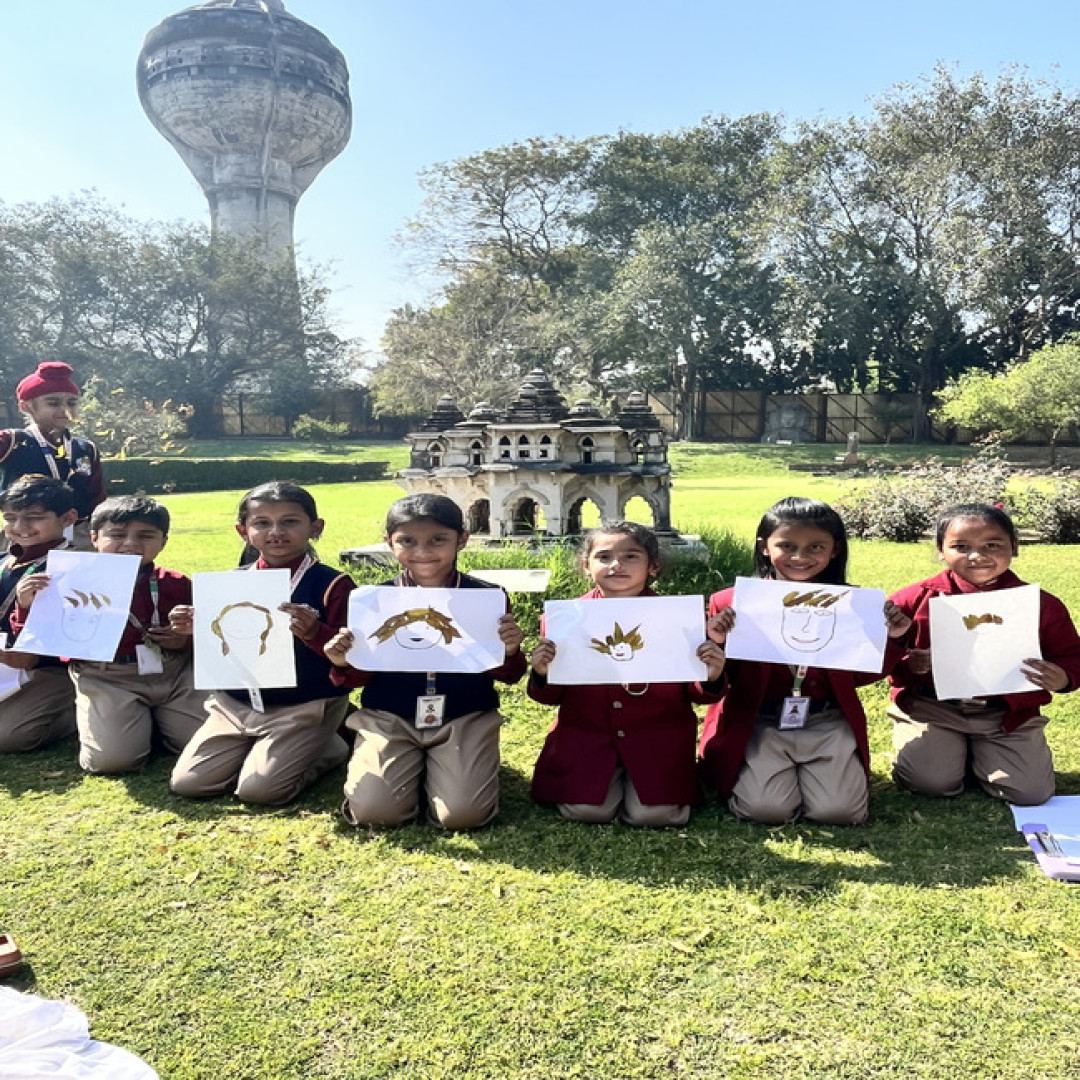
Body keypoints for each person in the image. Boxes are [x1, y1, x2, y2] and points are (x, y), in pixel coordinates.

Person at [700, 497, 911, 825]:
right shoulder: (731, 603)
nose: (800, 557)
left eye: (816, 547)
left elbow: (860, 675)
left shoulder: (852, 604)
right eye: (786, 546)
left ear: (834, 550)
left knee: (839, 812)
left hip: (826, 720)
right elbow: (719, 680)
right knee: (765, 810)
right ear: (764, 547)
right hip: (760, 721)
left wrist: (893, 639)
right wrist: (718, 642)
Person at [325, 494, 526, 830]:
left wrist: (509, 650)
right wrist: (342, 661)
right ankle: (407, 770)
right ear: (389, 542)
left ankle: (451, 770)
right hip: (390, 714)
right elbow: (358, 677)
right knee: (376, 813)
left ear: (462, 539)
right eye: (407, 541)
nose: (422, 551)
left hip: (464, 714)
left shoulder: (486, 597)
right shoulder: (373, 600)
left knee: (462, 815)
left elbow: (510, 674)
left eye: (438, 540)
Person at [528, 522, 726, 827]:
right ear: (586, 566)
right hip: (588, 736)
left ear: (653, 566)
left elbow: (696, 694)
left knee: (656, 815)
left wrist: (711, 675)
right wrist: (542, 672)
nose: (616, 565)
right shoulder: (565, 619)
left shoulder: (678, 619)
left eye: (631, 557)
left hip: (658, 739)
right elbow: (550, 697)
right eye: (604, 557)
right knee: (588, 811)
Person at [170, 482, 354, 806]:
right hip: (237, 705)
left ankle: (329, 746)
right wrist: (193, 630)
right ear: (243, 531)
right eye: (262, 523)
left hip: (305, 705)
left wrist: (316, 633)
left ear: (315, 528)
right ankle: (276, 750)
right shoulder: (231, 582)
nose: (276, 532)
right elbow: (223, 648)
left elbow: (351, 657)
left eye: (290, 521)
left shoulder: (333, 585)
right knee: (189, 783)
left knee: (259, 791)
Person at [887, 502, 1080, 805]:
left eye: (992, 545)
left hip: (1006, 714)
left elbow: (1071, 654)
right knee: (931, 782)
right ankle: (946, 751)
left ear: (1014, 547)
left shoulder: (1040, 605)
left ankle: (974, 752)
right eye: (961, 547)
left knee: (1030, 792)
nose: (977, 556)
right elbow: (883, 653)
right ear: (941, 550)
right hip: (933, 707)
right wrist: (909, 664)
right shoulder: (915, 599)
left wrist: (1064, 678)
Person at [13, 495, 205, 774]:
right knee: (113, 762)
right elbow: (39, 639)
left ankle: (147, 724)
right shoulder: (68, 581)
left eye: (145, 536)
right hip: (106, 677)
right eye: (116, 535)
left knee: (200, 747)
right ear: (94, 537)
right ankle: (110, 721)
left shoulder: (176, 583)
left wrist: (184, 639)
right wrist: (27, 606)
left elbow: (205, 636)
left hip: (173, 673)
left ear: (163, 541)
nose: (130, 544)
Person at [0, 476, 78, 753]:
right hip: (6, 666)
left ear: (68, 518)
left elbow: (69, 639)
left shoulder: (76, 569)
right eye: (10, 518)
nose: (20, 527)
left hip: (49, 670)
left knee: (8, 736)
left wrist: (26, 607)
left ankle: (83, 712)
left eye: (34, 518)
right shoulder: (4, 561)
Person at [0, 361, 106, 549]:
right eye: (53, 402)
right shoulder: (12, 441)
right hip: (25, 532)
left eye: (71, 403)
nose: (64, 409)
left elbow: (97, 498)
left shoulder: (86, 448)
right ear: (26, 406)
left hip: (79, 535)